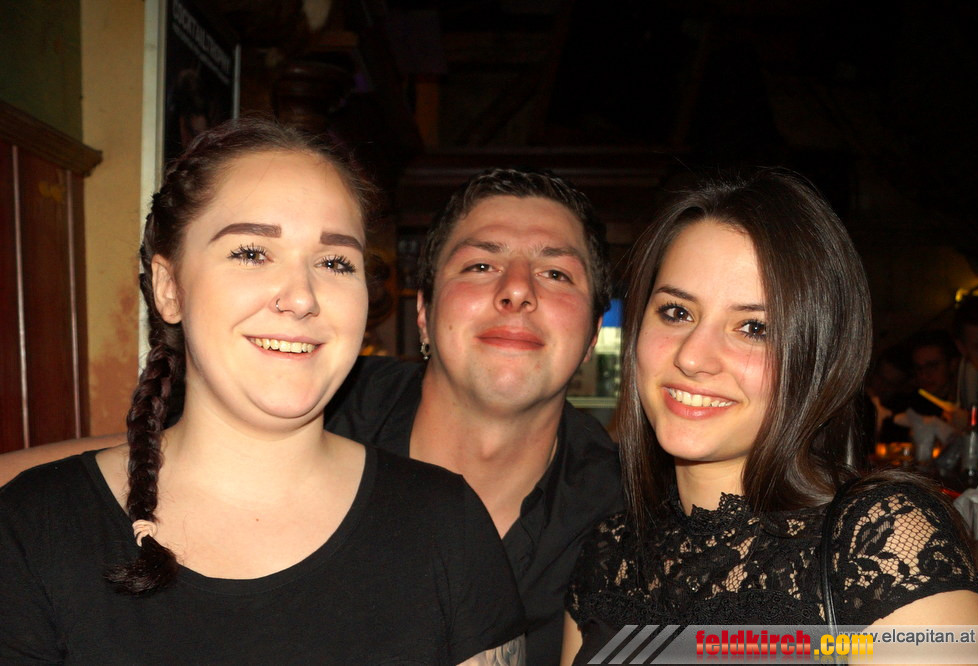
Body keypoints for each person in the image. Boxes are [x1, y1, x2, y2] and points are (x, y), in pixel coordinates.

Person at [0, 167, 623, 665]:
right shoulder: (318, 392)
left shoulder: (628, 507)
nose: (517, 291)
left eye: (555, 272)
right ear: (423, 313)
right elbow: (142, 462)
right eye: (480, 265)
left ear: (596, 331)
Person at [561, 169, 978, 664]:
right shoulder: (607, 553)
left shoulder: (881, 541)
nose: (693, 356)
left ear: (819, 357)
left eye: (753, 327)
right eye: (677, 312)